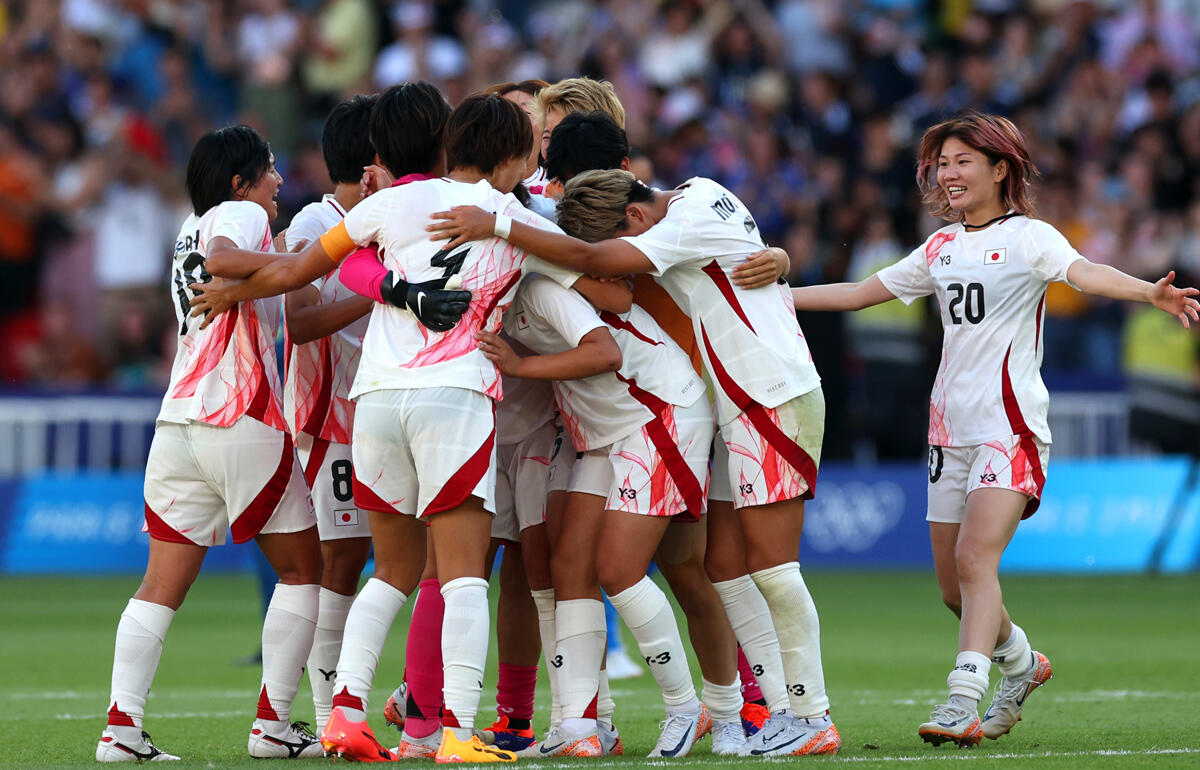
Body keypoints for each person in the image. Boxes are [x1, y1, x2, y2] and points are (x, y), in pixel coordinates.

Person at [787, 113, 1199, 747]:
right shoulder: (940, 248)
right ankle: (1022, 663)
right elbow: (857, 292)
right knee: (955, 589)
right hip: (946, 432)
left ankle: (961, 698)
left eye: (961, 162)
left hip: (1010, 429)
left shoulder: (1031, 238)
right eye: (942, 164)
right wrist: (772, 299)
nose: (947, 174)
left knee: (977, 557)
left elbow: (1084, 272)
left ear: (1000, 169)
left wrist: (1149, 293)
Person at [425, 168, 842, 757]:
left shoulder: (661, 230)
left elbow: (605, 280)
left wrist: (500, 228)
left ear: (636, 218)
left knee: (740, 569)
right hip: (713, 404)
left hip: (725, 399)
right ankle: (736, 715)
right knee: (712, 566)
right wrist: (776, 256)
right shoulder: (703, 190)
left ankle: (788, 713)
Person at [96, 125, 324, 762]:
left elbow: (220, 269)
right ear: (239, 179)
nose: (278, 181)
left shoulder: (184, 228)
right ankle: (274, 726)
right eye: (270, 168)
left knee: (159, 586)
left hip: (178, 423)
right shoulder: (238, 212)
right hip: (240, 412)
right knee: (305, 570)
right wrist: (307, 262)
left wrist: (277, 269)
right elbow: (226, 259)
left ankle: (121, 728)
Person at [281, 94, 377, 730]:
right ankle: (325, 716)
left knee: (385, 556)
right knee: (342, 560)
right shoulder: (315, 225)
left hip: (378, 407)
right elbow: (299, 320)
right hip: (328, 417)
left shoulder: (388, 217)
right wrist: (379, 299)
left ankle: (371, 698)